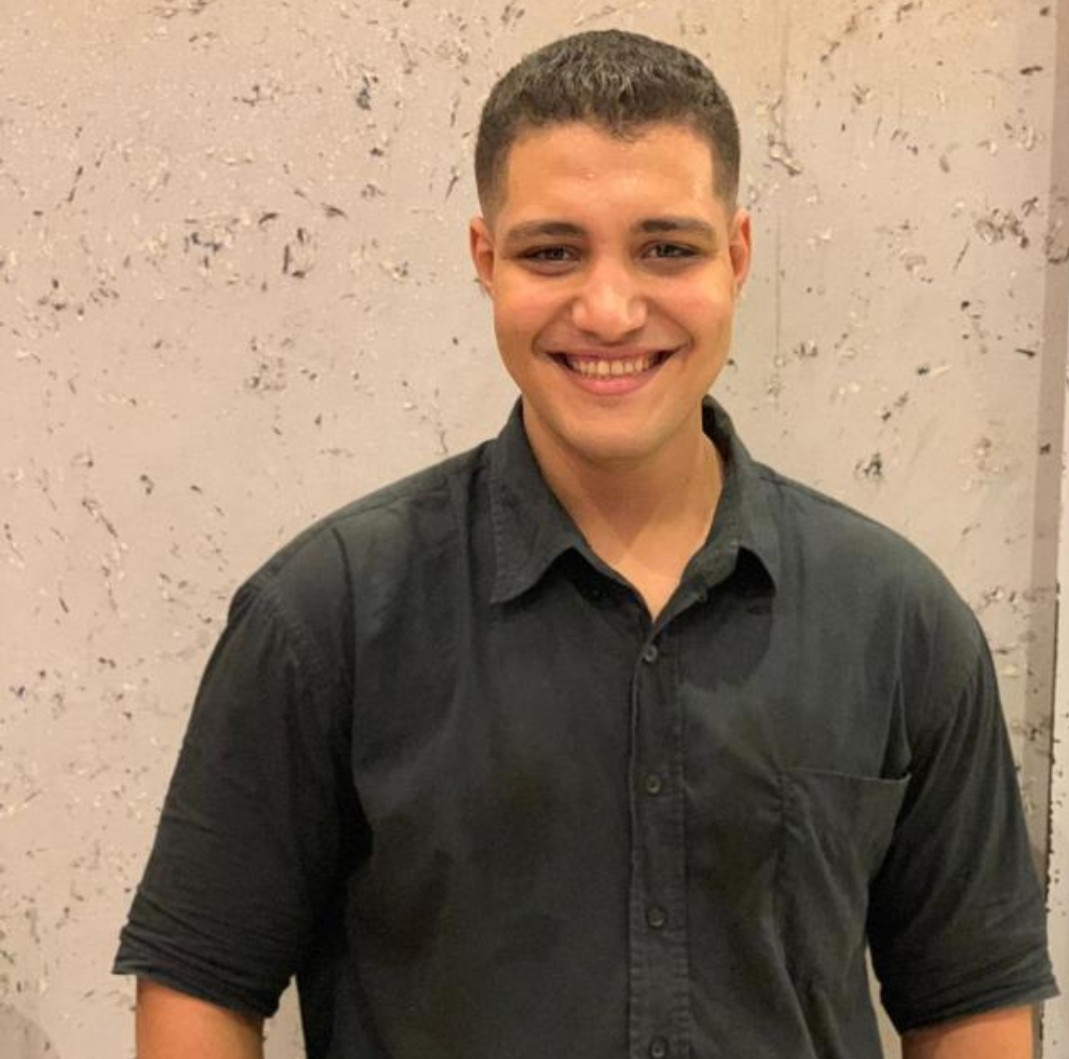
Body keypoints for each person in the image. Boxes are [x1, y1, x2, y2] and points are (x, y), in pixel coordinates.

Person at [114, 29, 1056, 1059]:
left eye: (667, 248)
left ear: (736, 257)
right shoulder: (324, 615)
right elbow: (202, 985)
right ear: (486, 261)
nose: (609, 310)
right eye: (552, 252)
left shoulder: (896, 619)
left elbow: (968, 999)